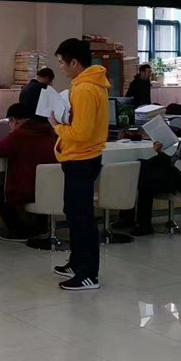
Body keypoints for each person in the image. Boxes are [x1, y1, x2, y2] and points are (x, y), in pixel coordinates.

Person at [50, 38, 110, 291]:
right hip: (80, 157)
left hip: (82, 158)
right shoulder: (87, 85)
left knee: (82, 218)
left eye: (62, 63)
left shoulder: (85, 89)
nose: (61, 68)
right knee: (74, 213)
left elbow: (82, 132)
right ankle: (77, 262)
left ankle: (88, 274)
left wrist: (57, 127)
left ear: (74, 62)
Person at [0, 103, 57, 241]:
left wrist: (11, 135)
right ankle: (41, 227)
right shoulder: (50, 131)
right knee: (41, 190)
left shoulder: (19, 135)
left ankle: (19, 231)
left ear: (14, 121)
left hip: (26, 189)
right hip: (52, 188)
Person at [130, 115, 181, 236]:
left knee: (146, 184)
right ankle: (129, 220)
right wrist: (160, 152)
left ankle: (144, 225)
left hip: (180, 182)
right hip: (175, 176)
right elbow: (175, 160)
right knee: (140, 167)